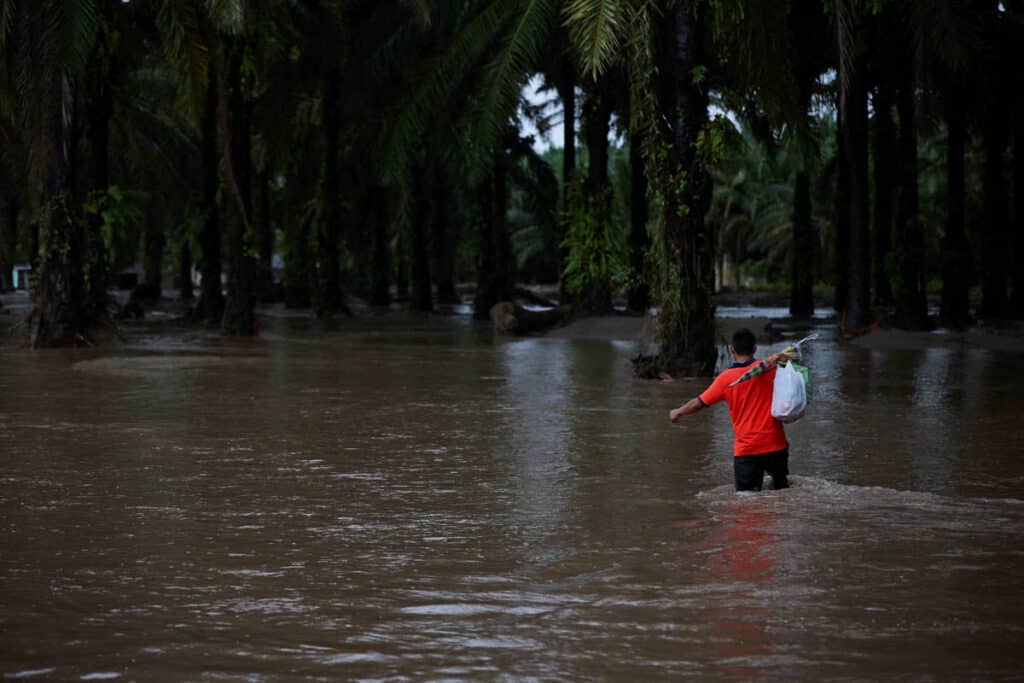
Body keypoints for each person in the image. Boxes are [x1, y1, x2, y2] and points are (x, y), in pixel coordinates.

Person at [669, 328, 790, 492]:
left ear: (731, 349)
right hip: (776, 445)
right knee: (782, 492)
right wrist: (782, 360)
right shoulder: (771, 370)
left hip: (747, 450)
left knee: (746, 501)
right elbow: (793, 378)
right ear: (754, 349)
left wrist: (678, 411)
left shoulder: (725, 379)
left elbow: (699, 402)